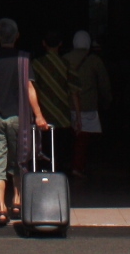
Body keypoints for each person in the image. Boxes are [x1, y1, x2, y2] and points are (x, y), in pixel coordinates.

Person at [0, 17, 50, 227]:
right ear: (17, 36)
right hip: (19, 118)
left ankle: (1, 209)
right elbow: (30, 88)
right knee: (19, 161)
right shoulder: (23, 59)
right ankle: (16, 202)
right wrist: (39, 115)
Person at [64, 30, 112, 177]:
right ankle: (78, 166)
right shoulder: (94, 60)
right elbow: (104, 83)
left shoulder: (65, 58)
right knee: (83, 138)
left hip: (67, 104)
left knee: (70, 137)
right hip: (87, 105)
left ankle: (68, 163)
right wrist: (107, 100)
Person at [32, 31, 77, 133]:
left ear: (44, 43)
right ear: (60, 43)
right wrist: (78, 117)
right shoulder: (66, 64)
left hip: (43, 116)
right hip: (63, 116)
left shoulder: (37, 64)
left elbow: (31, 89)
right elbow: (74, 92)